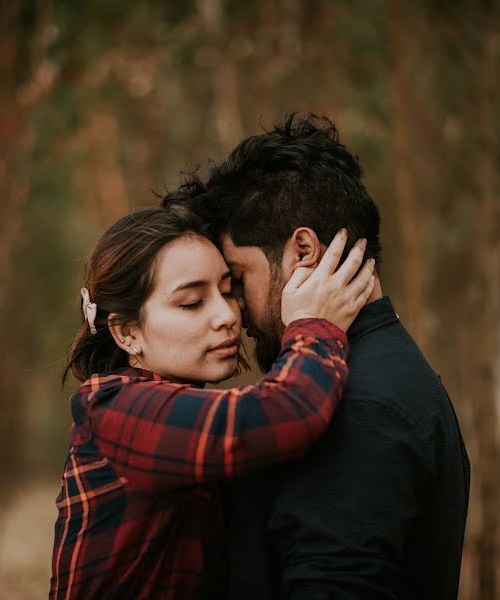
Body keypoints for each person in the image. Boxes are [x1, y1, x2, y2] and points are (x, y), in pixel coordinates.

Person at [163, 114, 471, 599]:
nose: (236, 312)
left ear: (302, 250)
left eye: (239, 280)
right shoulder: (377, 373)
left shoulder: (356, 406)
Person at [49, 207, 376, 599]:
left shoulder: (180, 409)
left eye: (227, 290)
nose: (227, 316)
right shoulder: (111, 407)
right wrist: (315, 324)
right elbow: (286, 412)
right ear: (126, 332)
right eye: (191, 303)